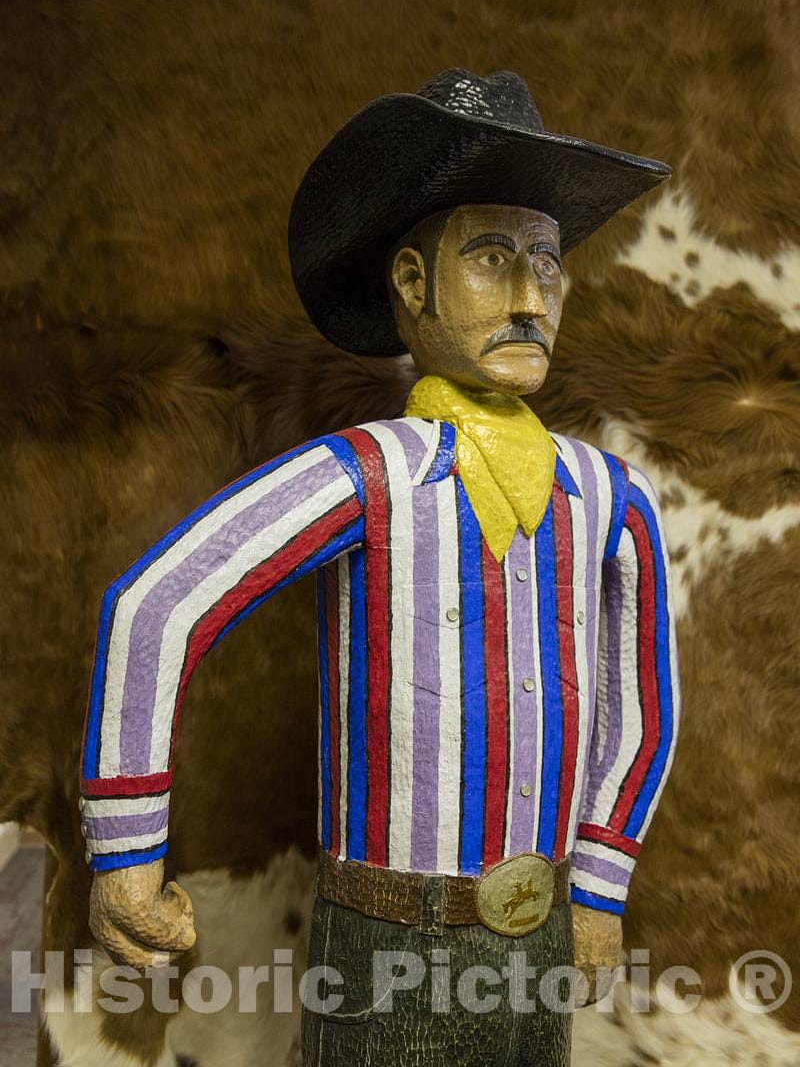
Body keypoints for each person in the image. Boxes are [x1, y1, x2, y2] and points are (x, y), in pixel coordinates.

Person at [80, 69, 680, 1065]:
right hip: (387, 934)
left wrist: (598, 888)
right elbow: (158, 605)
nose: (532, 295)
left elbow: (639, 705)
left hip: (537, 930)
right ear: (411, 284)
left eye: (546, 261)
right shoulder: (370, 476)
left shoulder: (608, 498)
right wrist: (126, 858)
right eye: (493, 259)